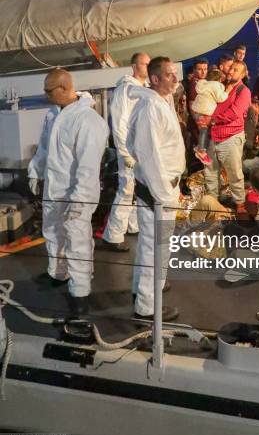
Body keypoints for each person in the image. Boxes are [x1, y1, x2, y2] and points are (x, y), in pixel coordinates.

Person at [27, 69, 109, 316]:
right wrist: (35, 171)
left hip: (76, 194)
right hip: (54, 188)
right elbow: (44, 147)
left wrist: (80, 199)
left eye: (48, 90)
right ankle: (58, 272)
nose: (45, 95)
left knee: (77, 240)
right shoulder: (53, 115)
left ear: (63, 88)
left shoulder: (88, 121)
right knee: (52, 231)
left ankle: (80, 291)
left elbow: (88, 166)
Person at [127, 56, 185, 321]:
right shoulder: (150, 108)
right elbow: (148, 155)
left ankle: (145, 289)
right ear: (155, 79)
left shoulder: (160, 102)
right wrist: (165, 195)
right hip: (157, 192)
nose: (176, 78)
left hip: (161, 189)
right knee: (155, 247)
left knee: (150, 246)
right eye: (170, 75)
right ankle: (147, 307)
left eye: (175, 74)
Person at [101, 52, 150, 252]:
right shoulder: (125, 89)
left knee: (136, 188)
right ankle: (112, 235)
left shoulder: (142, 89)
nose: (148, 67)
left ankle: (132, 225)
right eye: (145, 64)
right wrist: (124, 152)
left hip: (140, 148)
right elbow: (120, 123)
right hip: (129, 149)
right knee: (126, 189)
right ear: (134, 66)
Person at [204, 61, 251, 208]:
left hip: (231, 137)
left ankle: (240, 205)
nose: (231, 72)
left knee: (234, 173)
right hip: (213, 136)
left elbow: (234, 113)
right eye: (231, 68)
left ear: (242, 75)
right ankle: (213, 204)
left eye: (236, 70)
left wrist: (212, 119)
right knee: (210, 172)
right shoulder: (222, 87)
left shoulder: (244, 91)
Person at [190, 68, 228, 165]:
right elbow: (221, 98)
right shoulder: (215, 86)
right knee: (204, 131)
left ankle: (200, 147)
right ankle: (201, 150)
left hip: (197, 110)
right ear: (219, 79)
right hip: (205, 111)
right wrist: (227, 92)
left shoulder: (203, 85)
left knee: (204, 131)